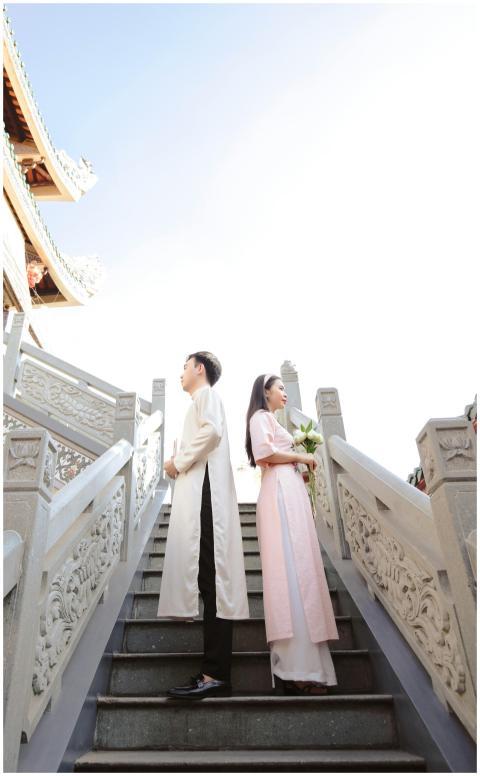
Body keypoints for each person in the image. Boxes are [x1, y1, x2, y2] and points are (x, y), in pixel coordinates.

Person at [158, 351, 249, 699]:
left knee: (213, 580)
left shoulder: (207, 396)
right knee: (209, 580)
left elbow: (211, 432)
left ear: (199, 369)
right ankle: (213, 670)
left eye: (184, 366)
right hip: (200, 494)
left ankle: (216, 673)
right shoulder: (197, 401)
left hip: (206, 496)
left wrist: (177, 461)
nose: (181, 373)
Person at [245, 373, 339, 694]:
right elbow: (264, 453)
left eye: (286, 387)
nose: (284, 392)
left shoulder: (271, 419)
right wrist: (301, 455)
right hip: (280, 493)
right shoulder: (260, 418)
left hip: (289, 489)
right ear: (265, 391)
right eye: (280, 388)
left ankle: (309, 665)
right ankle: (296, 667)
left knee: (303, 571)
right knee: (291, 572)